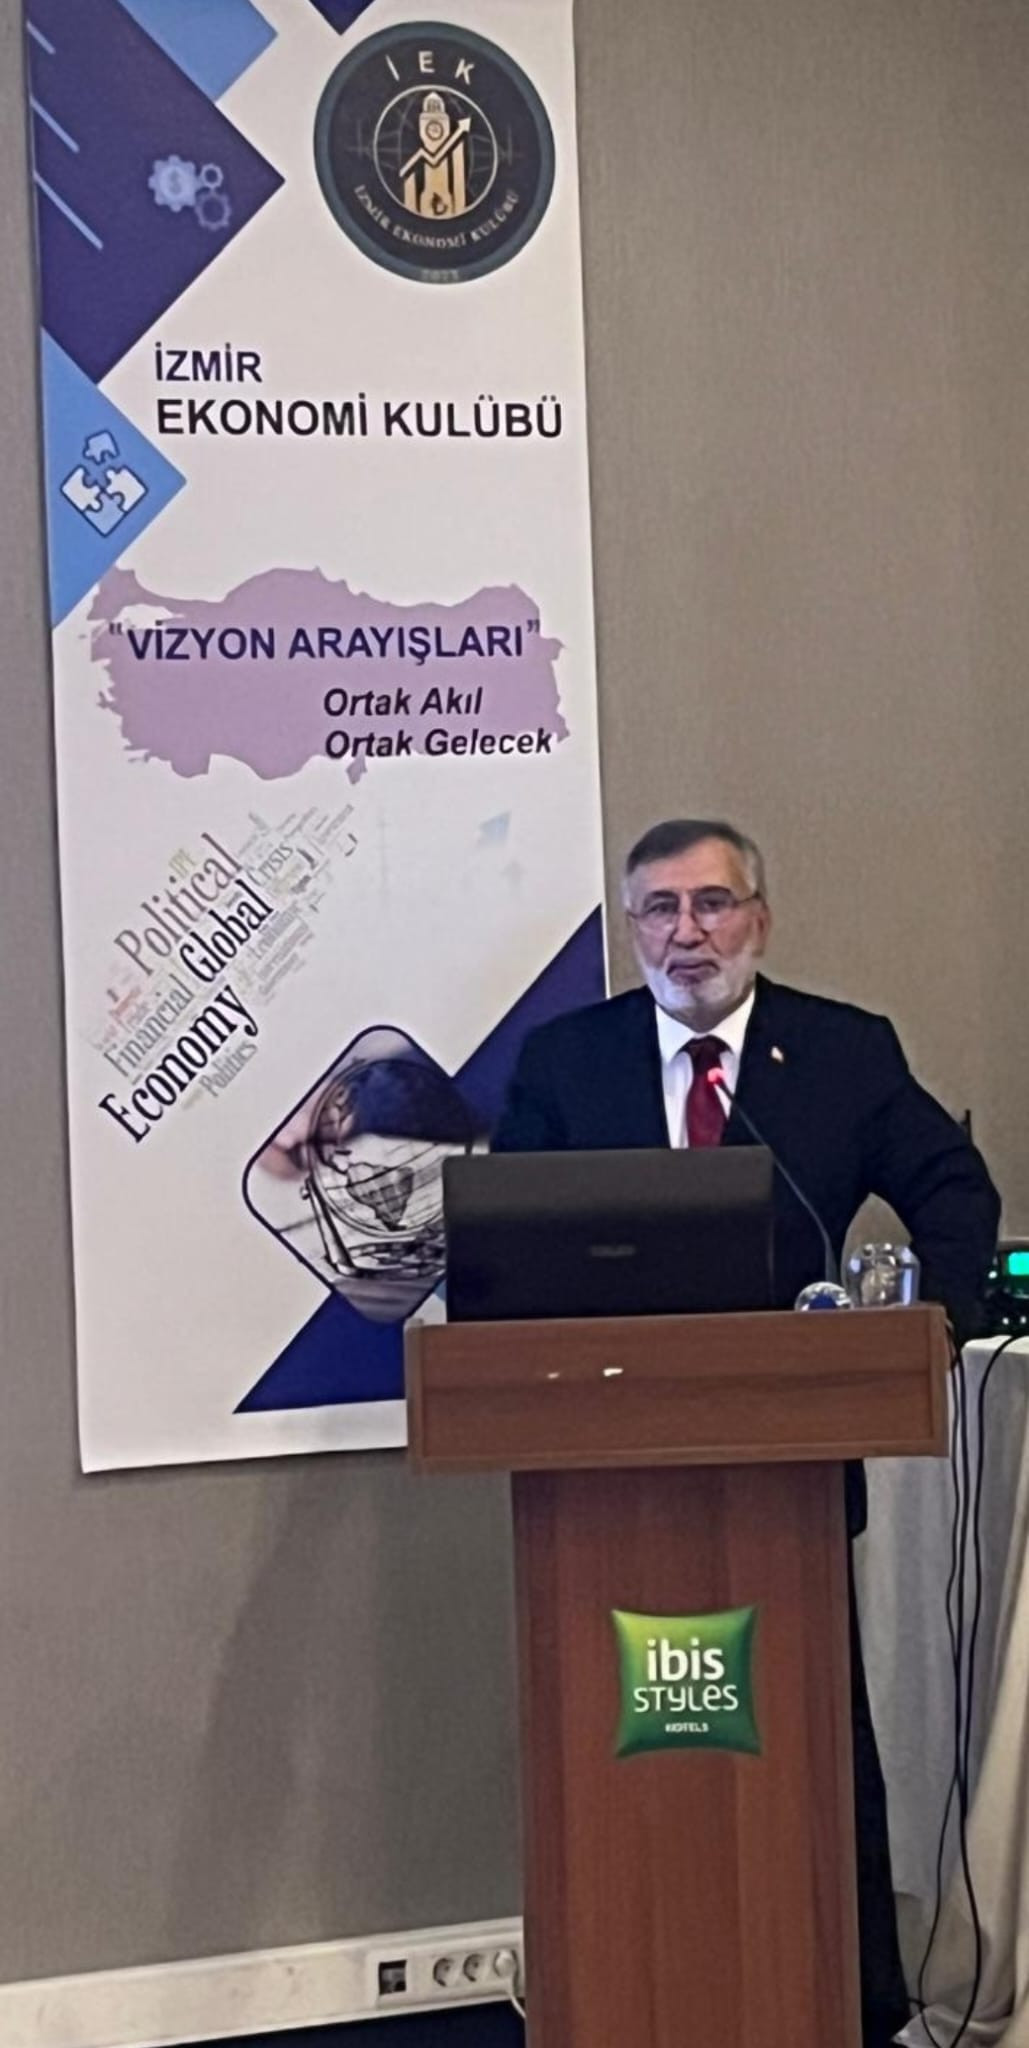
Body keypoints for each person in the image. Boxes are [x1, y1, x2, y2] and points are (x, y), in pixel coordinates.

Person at [492, 816, 1000, 2048]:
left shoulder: (841, 1050)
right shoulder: (567, 1061)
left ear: (759, 919)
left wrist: (933, 1325)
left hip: (791, 1466)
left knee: (813, 1738)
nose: (689, 932)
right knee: (610, 1735)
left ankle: (847, 1994)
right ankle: (619, 1986)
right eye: (661, 908)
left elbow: (953, 1187)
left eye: (713, 903)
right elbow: (504, 1247)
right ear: (632, 928)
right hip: (608, 1471)